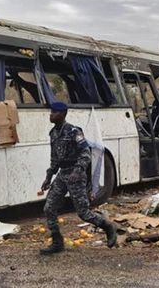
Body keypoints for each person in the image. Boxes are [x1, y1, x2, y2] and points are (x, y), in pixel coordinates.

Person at [39, 101, 117, 255]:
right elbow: (54, 158)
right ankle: (57, 242)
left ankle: (108, 226)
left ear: (63, 114)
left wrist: (79, 169)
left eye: (54, 112)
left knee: (83, 213)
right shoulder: (53, 134)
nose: (51, 115)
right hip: (63, 174)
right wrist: (49, 177)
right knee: (49, 208)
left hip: (76, 174)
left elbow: (86, 153)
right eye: (51, 112)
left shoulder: (74, 132)